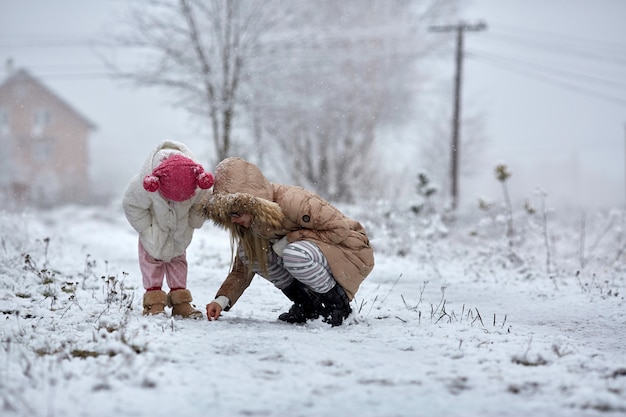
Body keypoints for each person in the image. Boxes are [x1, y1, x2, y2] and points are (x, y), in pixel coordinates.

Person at [203, 157, 374, 326]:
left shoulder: (293, 201)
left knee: (294, 254)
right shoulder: (251, 224)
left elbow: (339, 230)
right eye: (228, 215)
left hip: (351, 250)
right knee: (250, 253)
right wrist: (222, 300)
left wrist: (289, 240)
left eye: (236, 213)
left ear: (251, 204)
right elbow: (241, 271)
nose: (233, 220)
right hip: (317, 253)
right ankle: (308, 306)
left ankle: (337, 307)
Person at [122, 140, 214, 318]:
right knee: (151, 264)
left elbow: (201, 204)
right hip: (154, 234)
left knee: (178, 263)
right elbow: (131, 204)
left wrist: (194, 221)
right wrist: (146, 228)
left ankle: (181, 302)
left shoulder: (196, 182)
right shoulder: (144, 183)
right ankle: (154, 301)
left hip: (180, 234)